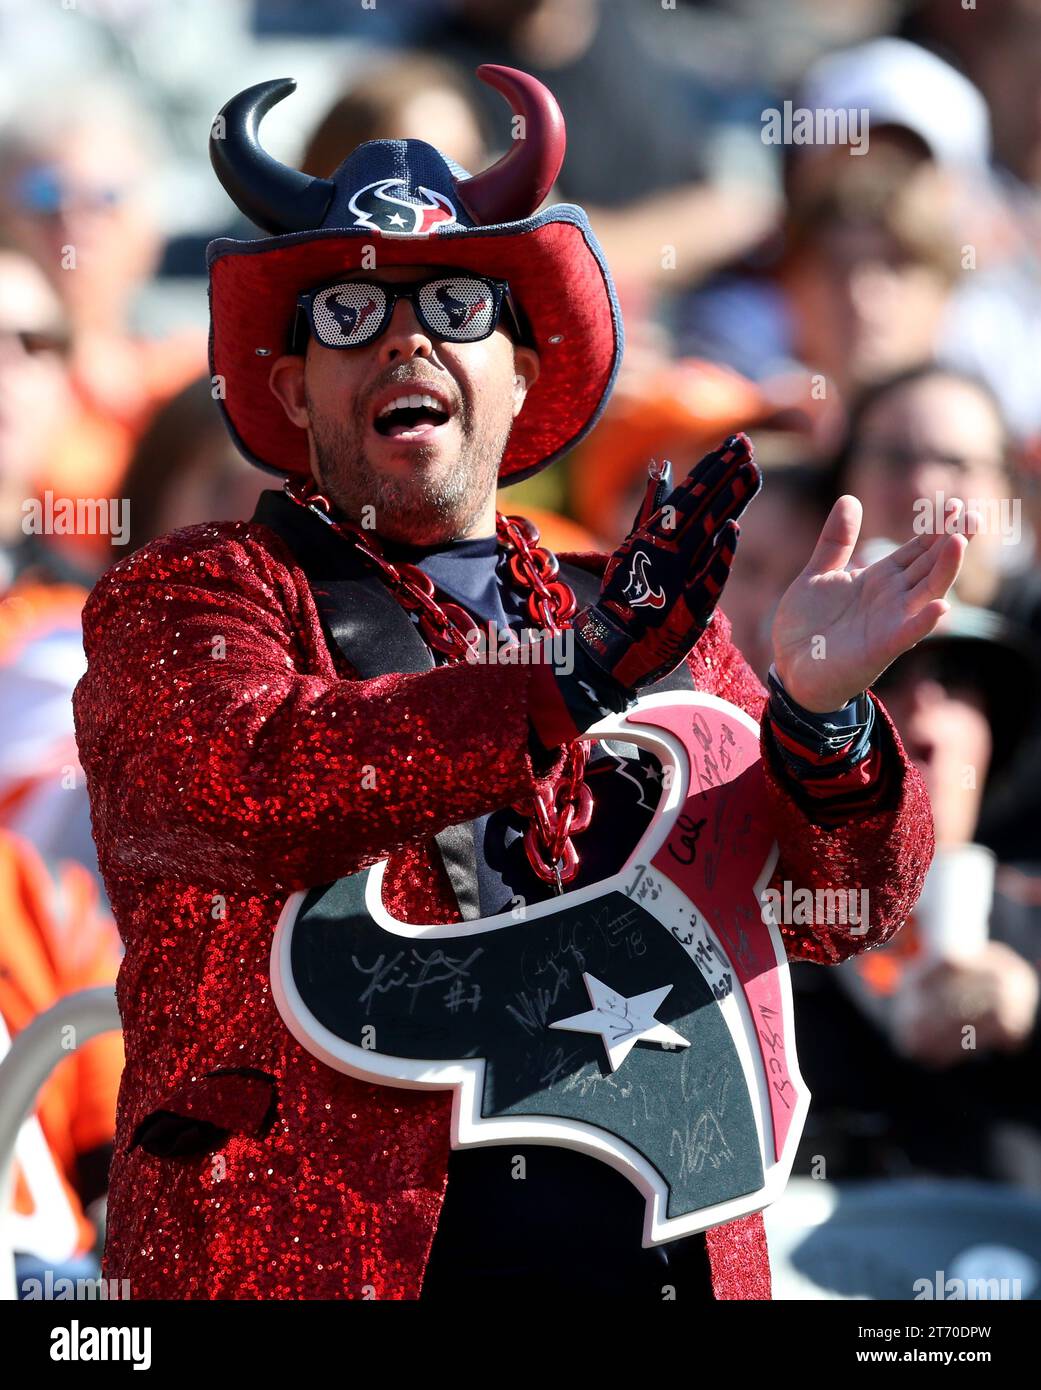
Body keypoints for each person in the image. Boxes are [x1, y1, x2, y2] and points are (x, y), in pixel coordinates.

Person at [73, 66, 968, 1301]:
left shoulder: (638, 608)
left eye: (452, 307)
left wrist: (822, 716)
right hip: (325, 1263)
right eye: (349, 318)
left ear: (521, 372)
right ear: (290, 392)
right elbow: (238, 776)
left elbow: (840, 910)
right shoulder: (199, 594)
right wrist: (569, 687)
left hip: (656, 1256)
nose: (406, 341)